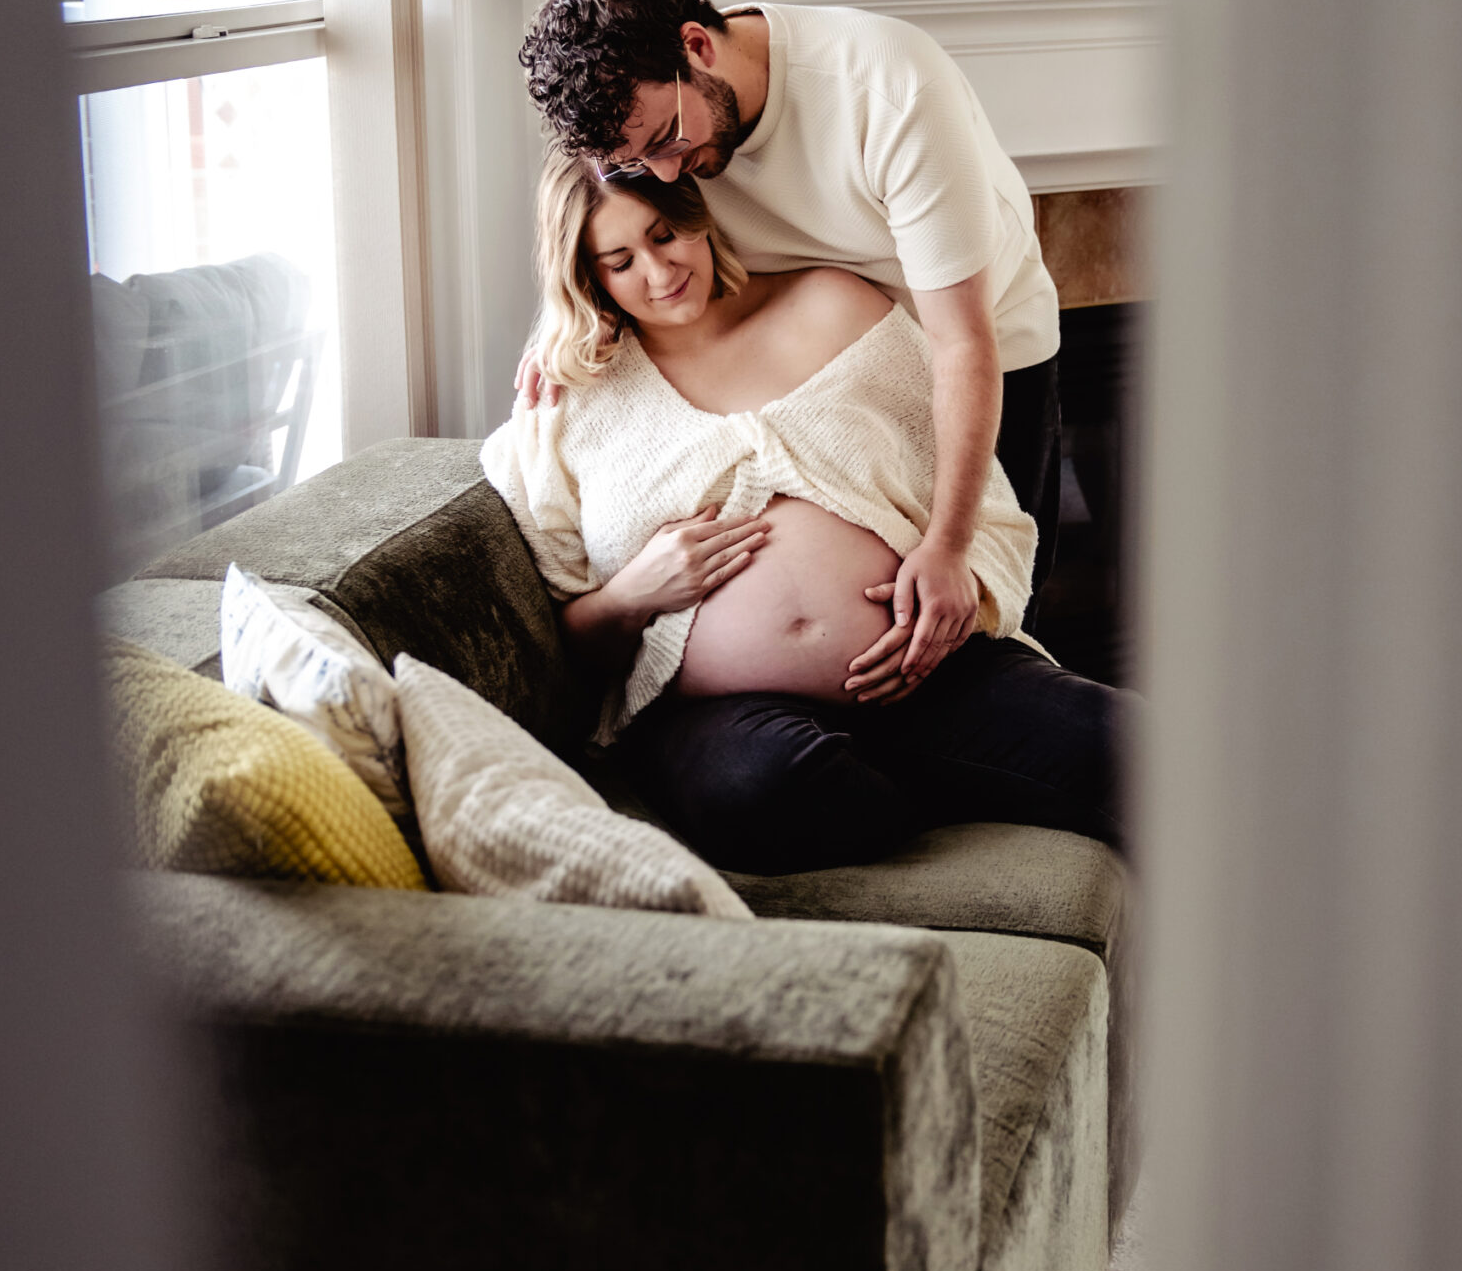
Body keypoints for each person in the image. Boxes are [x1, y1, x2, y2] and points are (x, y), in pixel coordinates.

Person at [482, 153, 1131, 879]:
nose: (660, 273)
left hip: (929, 673)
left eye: (666, 235)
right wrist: (633, 594)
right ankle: (944, 783)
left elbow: (977, 488)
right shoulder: (574, 404)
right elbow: (565, 641)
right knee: (764, 789)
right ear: (586, 274)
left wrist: (959, 567)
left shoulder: (836, 307)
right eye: (621, 259)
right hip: (728, 716)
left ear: (699, 219)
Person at [514, 0, 1063, 689]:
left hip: (974, 347)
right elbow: (596, 219)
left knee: (982, 608)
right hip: (824, 359)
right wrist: (560, 322)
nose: (669, 175)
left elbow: (962, 341)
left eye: (669, 141)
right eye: (638, 161)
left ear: (697, 47)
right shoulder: (654, 125)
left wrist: (949, 545)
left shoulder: (888, 85)